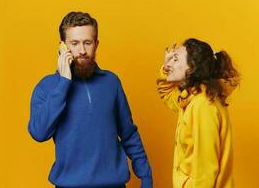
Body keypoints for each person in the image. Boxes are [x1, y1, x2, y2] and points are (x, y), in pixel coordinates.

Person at [28, 11, 152, 188]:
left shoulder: (111, 82)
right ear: (62, 47)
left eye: (88, 42)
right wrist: (64, 82)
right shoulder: (48, 86)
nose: (82, 51)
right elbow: (39, 133)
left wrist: (145, 176)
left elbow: (129, 133)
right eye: (74, 43)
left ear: (96, 44)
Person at [157, 38, 240, 188]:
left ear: (192, 68)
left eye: (175, 60)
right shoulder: (191, 98)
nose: (168, 64)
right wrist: (166, 68)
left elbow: (205, 172)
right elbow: (167, 93)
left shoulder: (203, 106)